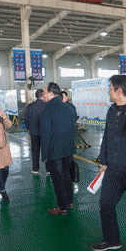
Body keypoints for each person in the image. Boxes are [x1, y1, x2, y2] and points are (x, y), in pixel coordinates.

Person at [91, 75, 126, 251]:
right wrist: (103, 160)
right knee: (105, 204)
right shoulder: (111, 110)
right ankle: (112, 240)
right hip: (112, 168)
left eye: (110, 88)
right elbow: (106, 136)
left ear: (119, 91)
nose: (109, 92)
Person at [40, 82, 77, 215]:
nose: (43, 96)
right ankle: (70, 201)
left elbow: (46, 135)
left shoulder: (47, 110)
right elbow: (73, 130)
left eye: (44, 93)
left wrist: (44, 155)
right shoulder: (69, 108)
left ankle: (62, 207)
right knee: (67, 176)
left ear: (51, 94)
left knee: (57, 179)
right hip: (68, 150)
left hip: (53, 151)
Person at [24, 89, 45, 174]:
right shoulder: (47, 105)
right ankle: (49, 170)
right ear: (43, 96)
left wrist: (28, 128)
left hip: (34, 132)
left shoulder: (30, 106)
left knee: (35, 151)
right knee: (46, 150)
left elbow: (26, 119)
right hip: (45, 132)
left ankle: (35, 169)